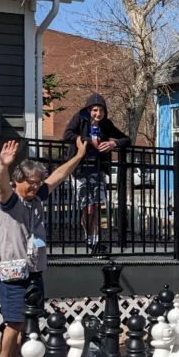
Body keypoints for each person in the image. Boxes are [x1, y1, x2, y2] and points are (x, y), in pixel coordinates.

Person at [0, 136, 88, 357]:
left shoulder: (36, 199)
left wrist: (78, 157)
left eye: (37, 183)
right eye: (30, 183)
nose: (35, 187)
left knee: (31, 321)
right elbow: (2, 185)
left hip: (34, 269)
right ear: (18, 181)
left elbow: (57, 176)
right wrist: (3, 165)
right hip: (12, 271)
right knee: (13, 321)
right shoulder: (9, 200)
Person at [62, 93, 131, 255]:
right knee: (88, 207)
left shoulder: (106, 124)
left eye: (101, 110)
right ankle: (89, 238)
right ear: (88, 110)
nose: (97, 114)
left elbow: (126, 139)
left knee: (99, 207)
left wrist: (113, 143)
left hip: (98, 170)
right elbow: (67, 135)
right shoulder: (80, 118)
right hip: (80, 169)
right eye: (94, 110)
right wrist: (88, 140)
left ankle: (96, 241)